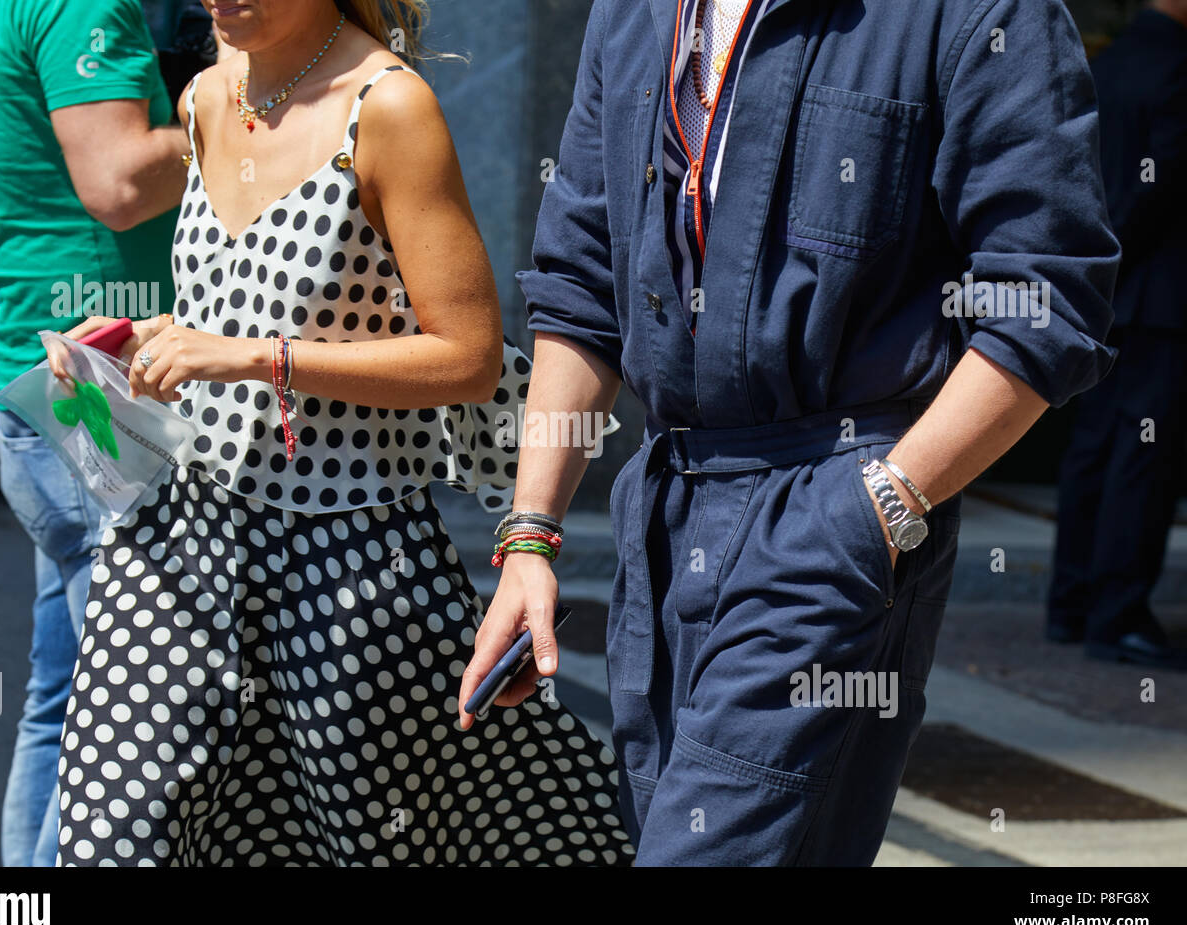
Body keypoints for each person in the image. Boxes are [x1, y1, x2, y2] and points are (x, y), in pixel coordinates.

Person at [461, 0, 1120, 865]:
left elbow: (1044, 302)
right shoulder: (633, 14)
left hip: (834, 508)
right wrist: (531, 537)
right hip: (665, 521)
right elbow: (582, 287)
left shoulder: (977, 13)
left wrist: (878, 509)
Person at [50, 0, 632, 867]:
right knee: (116, 837)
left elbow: (468, 357)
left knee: (367, 842)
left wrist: (256, 358)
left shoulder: (389, 107)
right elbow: (227, 311)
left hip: (347, 559)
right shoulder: (208, 94)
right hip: (182, 542)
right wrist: (143, 341)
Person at [0, 0, 190, 866]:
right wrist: (238, 105)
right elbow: (120, 185)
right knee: (128, 720)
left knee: (66, 698)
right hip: (97, 389)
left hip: (51, 384)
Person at [1047, 0, 1187, 669]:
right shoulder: (1179, 71)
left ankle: (1072, 604)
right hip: (1160, 300)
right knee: (1142, 460)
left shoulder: (1106, 63)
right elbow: (1156, 189)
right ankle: (1117, 616)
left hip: (1111, 299)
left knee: (1095, 450)